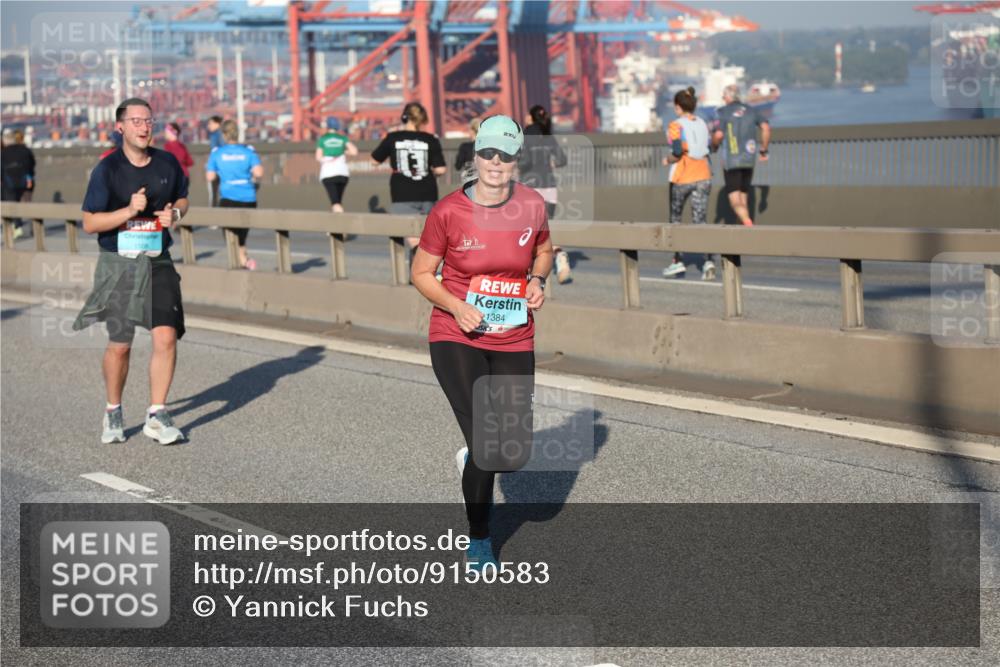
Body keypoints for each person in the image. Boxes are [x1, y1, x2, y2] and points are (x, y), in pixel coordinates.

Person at [411, 115, 553, 570]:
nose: (496, 163)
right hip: (457, 335)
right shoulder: (448, 211)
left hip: (513, 335)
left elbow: (545, 250)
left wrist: (537, 279)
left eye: (505, 155)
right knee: (490, 442)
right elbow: (419, 273)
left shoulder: (532, 204)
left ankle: (476, 455)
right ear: (475, 156)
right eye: (488, 153)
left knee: (510, 452)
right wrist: (455, 305)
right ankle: (479, 538)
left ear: (516, 161)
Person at [71, 97, 189, 445]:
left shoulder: (167, 162)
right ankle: (113, 409)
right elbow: (90, 223)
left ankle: (157, 413)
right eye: (135, 121)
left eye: (148, 120)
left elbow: (183, 199)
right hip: (119, 262)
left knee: (166, 336)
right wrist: (127, 211)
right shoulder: (107, 169)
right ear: (120, 127)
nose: (143, 126)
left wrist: (177, 215)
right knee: (121, 345)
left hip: (158, 258)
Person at [370, 102, 446, 251]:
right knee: (428, 237)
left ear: (404, 117)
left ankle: (418, 268)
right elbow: (441, 169)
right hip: (428, 192)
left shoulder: (392, 137)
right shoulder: (431, 139)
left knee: (413, 240)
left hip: (402, 193)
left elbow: (374, 161)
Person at [662, 87, 715, 280]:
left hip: (683, 177)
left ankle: (677, 262)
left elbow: (677, 151)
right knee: (700, 221)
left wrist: (667, 159)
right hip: (704, 175)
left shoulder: (676, 125)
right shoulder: (702, 123)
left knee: (675, 219)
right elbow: (708, 146)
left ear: (677, 107)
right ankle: (708, 261)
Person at [518, 105, 570, 283]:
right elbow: (562, 159)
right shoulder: (548, 136)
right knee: (548, 230)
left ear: (530, 118)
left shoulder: (524, 136)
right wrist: (551, 164)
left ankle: (531, 273)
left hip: (531, 188)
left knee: (529, 232)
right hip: (549, 186)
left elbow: (523, 162)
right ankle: (560, 257)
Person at [205, 119, 264, 270]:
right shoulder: (248, 151)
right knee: (242, 233)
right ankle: (244, 259)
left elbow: (210, 176)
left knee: (230, 235)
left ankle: (242, 263)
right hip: (248, 197)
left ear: (224, 135)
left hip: (228, 197)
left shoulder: (217, 153)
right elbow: (259, 172)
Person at [712, 84, 770, 227]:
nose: (723, 99)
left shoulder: (722, 112)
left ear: (728, 97)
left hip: (731, 161)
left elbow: (718, 135)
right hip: (749, 160)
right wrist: (763, 149)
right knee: (743, 195)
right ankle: (744, 233)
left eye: (723, 96)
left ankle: (747, 222)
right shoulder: (752, 110)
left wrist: (713, 145)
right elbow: (766, 128)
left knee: (734, 198)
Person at [316, 117, 357, 213]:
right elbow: (354, 151)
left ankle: (343, 223)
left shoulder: (323, 139)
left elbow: (318, 157)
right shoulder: (343, 138)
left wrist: (328, 157)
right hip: (343, 174)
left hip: (328, 173)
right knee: (338, 201)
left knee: (335, 202)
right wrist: (344, 152)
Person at [1, 128, 36, 239]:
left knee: (12, 204)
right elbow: (32, 163)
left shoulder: (3, 153)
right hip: (26, 182)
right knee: (28, 204)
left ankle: (17, 226)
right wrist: (30, 177)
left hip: (9, 183)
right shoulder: (25, 150)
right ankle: (34, 227)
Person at [453, 117, 480, 186]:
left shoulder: (465, 147)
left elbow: (458, 166)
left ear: (472, 130)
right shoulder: (487, 146)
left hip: (469, 180)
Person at [206, 115, 223, 206]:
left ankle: (213, 213)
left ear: (218, 123)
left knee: (213, 193)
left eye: (210, 123)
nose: (209, 126)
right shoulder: (220, 135)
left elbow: (217, 152)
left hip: (216, 169)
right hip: (221, 168)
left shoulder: (217, 135)